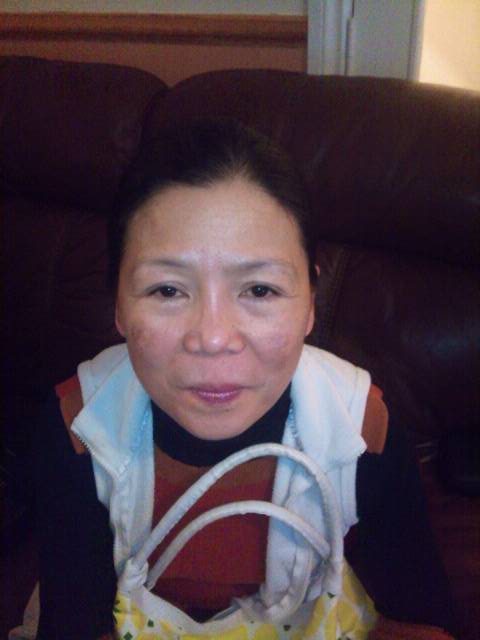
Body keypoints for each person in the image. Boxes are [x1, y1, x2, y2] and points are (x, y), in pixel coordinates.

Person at [31, 119, 455, 639]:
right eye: (167, 290)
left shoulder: (362, 430)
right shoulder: (78, 430)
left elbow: (419, 620)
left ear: (310, 304)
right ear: (118, 304)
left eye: (259, 290)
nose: (213, 338)